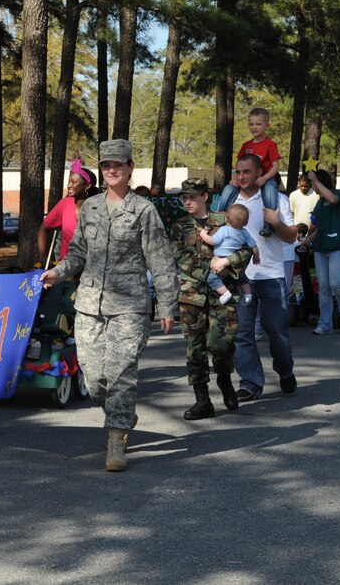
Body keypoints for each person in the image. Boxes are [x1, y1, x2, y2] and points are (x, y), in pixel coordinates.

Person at [39, 139, 179, 473]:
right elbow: (78, 253)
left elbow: (160, 260)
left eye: (118, 165)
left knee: (121, 374)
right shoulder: (90, 207)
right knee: (95, 378)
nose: (111, 170)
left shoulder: (143, 210)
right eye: (106, 165)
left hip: (129, 305)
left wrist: (168, 304)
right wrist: (57, 272)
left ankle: (116, 438)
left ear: (130, 168)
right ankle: (122, 413)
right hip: (88, 303)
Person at [170, 178, 253, 421]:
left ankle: (225, 379)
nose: (187, 201)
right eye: (184, 197)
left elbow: (246, 248)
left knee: (222, 344)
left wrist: (228, 263)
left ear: (205, 196)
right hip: (192, 295)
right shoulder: (179, 226)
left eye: (192, 197)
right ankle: (202, 399)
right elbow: (182, 258)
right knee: (195, 349)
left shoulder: (225, 220)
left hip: (223, 297)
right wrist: (212, 271)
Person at [219, 154, 298, 402]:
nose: (242, 176)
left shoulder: (275, 200)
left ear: (259, 173)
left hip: (271, 276)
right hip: (241, 278)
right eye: (238, 172)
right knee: (243, 333)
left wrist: (276, 222)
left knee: (276, 331)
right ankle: (250, 383)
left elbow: (291, 237)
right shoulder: (229, 204)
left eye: (247, 172)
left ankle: (285, 370)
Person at [299, 170, 340, 334]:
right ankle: (325, 324)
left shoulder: (337, 194)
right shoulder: (318, 203)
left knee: (336, 284)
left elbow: (332, 199)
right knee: (323, 287)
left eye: (314, 184)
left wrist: (315, 179)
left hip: (338, 247)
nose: (313, 188)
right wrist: (306, 241)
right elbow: (319, 228)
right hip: (321, 248)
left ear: (320, 182)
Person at [218, 108, 281, 237]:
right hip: (247, 180)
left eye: (258, 124)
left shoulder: (270, 144)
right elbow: (239, 165)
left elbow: (276, 166)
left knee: (269, 191)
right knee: (228, 189)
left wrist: (266, 177)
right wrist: (235, 178)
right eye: (251, 124)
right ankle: (218, 220)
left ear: (267, 125)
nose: (254, 127)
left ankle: (269, 226)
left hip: (266, 178)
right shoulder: (246, 145)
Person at [36, 159, 98, 264]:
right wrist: (43, 256)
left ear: (87, 186)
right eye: (69, 181)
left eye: (74, 182)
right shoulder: (65, 204)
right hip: (67, 267)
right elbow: (42, 229)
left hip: (93, 268)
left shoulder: (99, 206)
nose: (69, 185)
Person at [199, 204, 260, 305]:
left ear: (226, 218)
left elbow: (213, 241)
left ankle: (225, 293)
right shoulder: (245, 232)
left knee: (211, 278)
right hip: (235, 262)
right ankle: (248, 294)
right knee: (242, 277)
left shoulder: (224, 230)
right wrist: (256, 257)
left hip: (220, 260)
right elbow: (253, 246)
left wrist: (203, 235)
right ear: (245, 223)